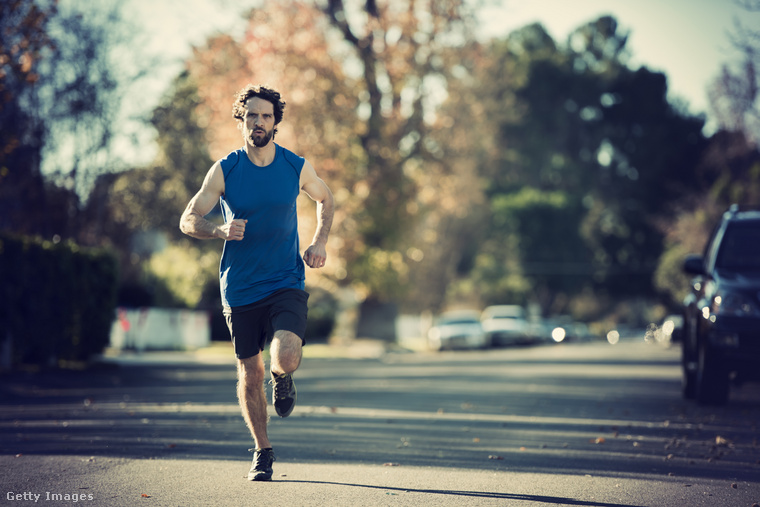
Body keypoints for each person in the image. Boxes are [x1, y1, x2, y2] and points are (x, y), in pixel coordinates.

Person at [179, 84, 334, 481]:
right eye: (252, 115)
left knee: (284, 356)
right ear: (242, 120)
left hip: (285, 279)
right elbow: (188, 218)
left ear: (276, 122)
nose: (259, 122)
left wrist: (318, 242)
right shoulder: (225, 169)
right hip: (240, 287)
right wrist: (220, 230)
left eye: (266, 115)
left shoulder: (294, 166)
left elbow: (326, 197)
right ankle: (262, 451)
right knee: (249, 372)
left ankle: (282, 378)